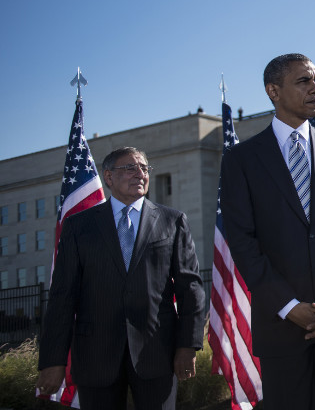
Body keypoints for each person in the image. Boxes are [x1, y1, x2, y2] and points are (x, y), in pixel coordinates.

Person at [220, 53, 315, 410]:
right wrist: (289, 306)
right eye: (304, 81)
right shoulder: (241, 160)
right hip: (281, 326)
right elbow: (242, 240)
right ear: (273, 91)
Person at [37, 147, 206, 410]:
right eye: (130, 168)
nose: (140, 173)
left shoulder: (172, 221)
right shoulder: (78, 226)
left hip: (157, 354)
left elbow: (190, 288)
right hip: (96, 356)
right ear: (108, 177)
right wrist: (53, 361)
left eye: (144, 168)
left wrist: (187, 346)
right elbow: (62, 297)